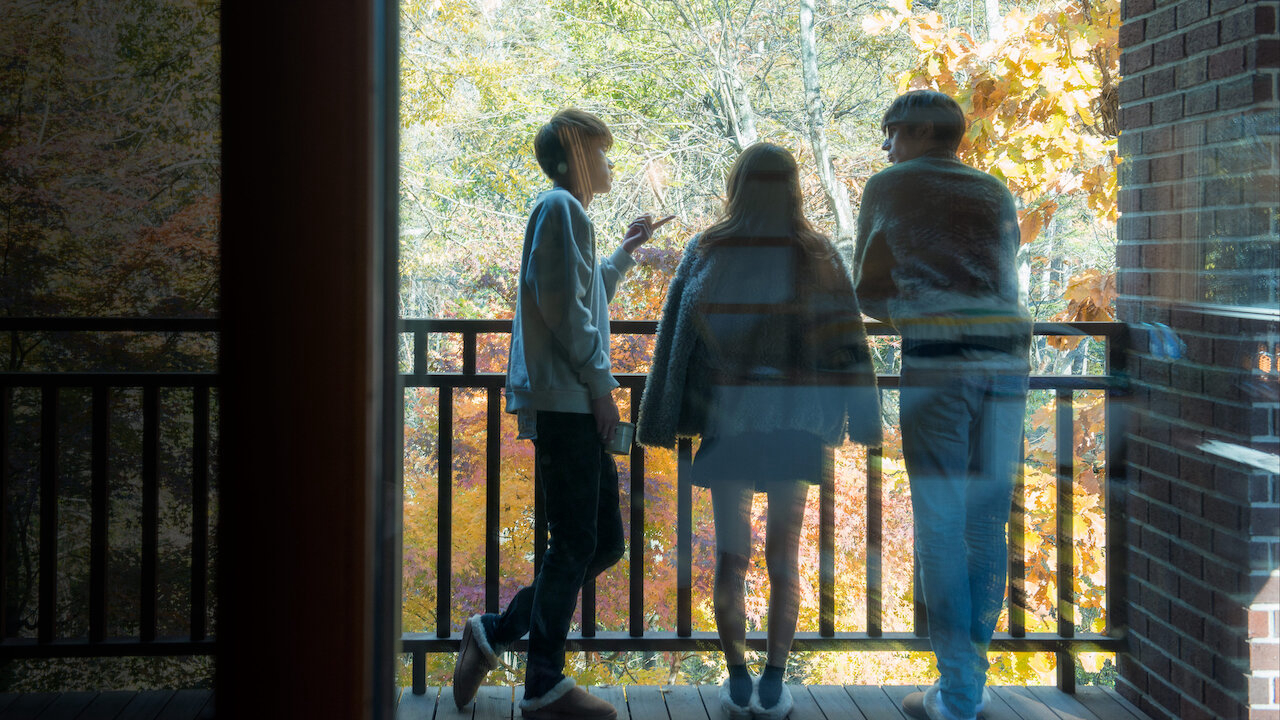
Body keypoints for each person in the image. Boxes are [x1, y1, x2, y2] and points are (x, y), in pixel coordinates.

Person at [638, 142, 881, 720]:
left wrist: (663, 416)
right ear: (793, 188)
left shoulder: (709, 249)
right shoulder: (817, 253)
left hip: (731, 420)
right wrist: (864, 417)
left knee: (731, 557)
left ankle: (738, 677)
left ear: (738, 186)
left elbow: (674, 338)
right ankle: (774, 679)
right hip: (798, 423)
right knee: (783, 558)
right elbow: (849, 340)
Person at [451, 108, 674, 720]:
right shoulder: (560, 208)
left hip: (571, 399)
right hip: (566, 400)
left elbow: (582, 293)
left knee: (602, 542)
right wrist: (602, 387)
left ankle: (493, 632)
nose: (608, 163)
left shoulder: (569, 213)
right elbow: (563, 309)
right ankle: (543, 685)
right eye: (600, 152)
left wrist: (625, 251)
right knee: (579, 540)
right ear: (575, 157)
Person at [853, 90, 1032, 720]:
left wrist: (914, 311)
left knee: (940, 521)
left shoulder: (890, 186)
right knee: (986, 523)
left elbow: (866, 289)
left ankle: (958, 690)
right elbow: (1004, 278)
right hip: (1008, 362)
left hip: (939, 362)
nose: (885, 146)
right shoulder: (994, 191)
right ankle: (965, 686)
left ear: (919, 131)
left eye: (891, 131)